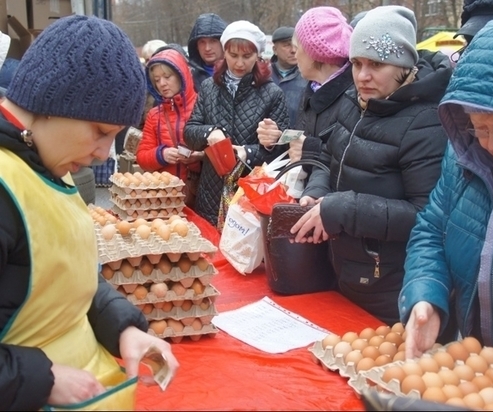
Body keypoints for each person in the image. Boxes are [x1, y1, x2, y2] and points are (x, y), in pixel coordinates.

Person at [0, 15, 178, 410]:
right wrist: (40, 379)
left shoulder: (45, 164)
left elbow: (60, 277)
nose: (102, 154)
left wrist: (123, 328)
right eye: (100, 131)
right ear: (50, 101)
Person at [400, 17, 493, 364]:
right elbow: (433, 230)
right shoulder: (465, 153)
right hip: (477, 365)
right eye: (478, 126)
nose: (491, 143)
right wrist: (426, 296)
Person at [290, 6, 452, 325]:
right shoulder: (355, 101)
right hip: (348, 271)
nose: (362, 75)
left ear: (403, 66)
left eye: (376, 64)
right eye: (356, 63)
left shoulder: (426, 122)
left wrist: (343, 209)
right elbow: (327, 157)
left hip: (394, 288)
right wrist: (317, 191)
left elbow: (428, 216)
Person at [184, 20, 290, 229]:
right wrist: (209, 133)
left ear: (258, 56)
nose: (239, 63)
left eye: (247, 56)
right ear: (225, 53)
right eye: (233, 56)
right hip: (210, 191)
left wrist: (248, 152)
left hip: (249, 193)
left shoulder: (272, 94)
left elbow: (282, 150)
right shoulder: (209, 87)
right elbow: (189, 132)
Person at [258, 6, 354, 172]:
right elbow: (300, 144)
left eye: (297, 48)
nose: (295, 55)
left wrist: (309, 150)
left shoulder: (354, 97)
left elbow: (358, 164)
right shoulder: (312, 88)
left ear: (313, 52)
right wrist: (277, 138)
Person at [136, 44, 201, 208]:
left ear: (182, 75)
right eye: (156, 80)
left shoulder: (203, 106)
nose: (162, 84)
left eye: (167, 76)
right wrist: (161, 154)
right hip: (164, 198)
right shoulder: (154, 115)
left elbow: (220, 152)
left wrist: (197, 158)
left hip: (198, 195)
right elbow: (142, 157)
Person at [269, 26, 307, 128]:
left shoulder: (307, 76)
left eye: (296, 45)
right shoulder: (264, 76)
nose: (293, 50)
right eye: (287, 45)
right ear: (275, 50)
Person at [187, 13, 227, 92]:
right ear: (196, 46)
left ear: (223, 43)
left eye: (213, 41)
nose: (207, 48)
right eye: (202, 42)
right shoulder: (188, 76)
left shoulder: (238, 71)